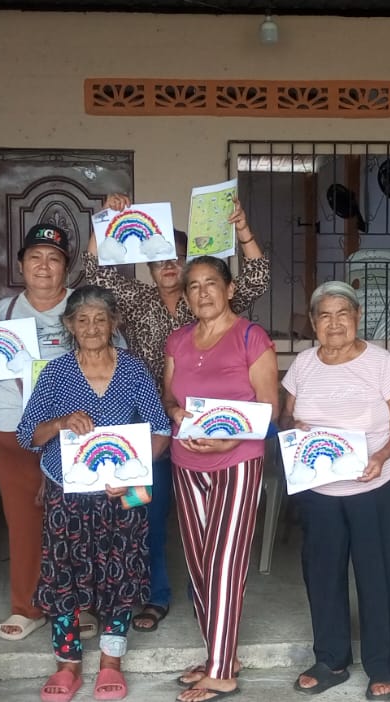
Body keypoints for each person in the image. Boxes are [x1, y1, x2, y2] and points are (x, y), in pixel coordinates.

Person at [83, 192, 269, 633]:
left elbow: (258, 277)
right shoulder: (136, 300)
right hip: (144, 426)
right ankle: (154, 595)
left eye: (177, 258)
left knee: (197, 524)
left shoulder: (205, 300)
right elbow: (93, 271)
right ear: (147, 266)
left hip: (205, 432)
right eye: (159, 259)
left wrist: (243, 229)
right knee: (143, 510)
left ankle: (208, 600)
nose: (168, 265)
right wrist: (107, 219)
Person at [16, 286, 172, 702]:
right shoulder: (56, 373)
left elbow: (160, 430)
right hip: (67, 494)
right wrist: (61, 422)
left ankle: (110, 662)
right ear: (69, 325)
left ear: (113, 323)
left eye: (100, 319)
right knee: (63, 575)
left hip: (123, 494)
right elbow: (27, 434)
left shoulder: (133, 370)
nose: (91, 327)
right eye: (82, 320)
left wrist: (134, 476)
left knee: (121, 574)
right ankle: (67, 664)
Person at [280, 281, 390, 701]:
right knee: (322, 572)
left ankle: (379, 665)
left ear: (357, 317)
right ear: (313, 322)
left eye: (343, 314)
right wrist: (293, 427)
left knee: (377, 575)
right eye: (325, 315)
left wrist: (382, 455)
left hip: (376, 483)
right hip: (318, 488)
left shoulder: (381, 363)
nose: (334, 324)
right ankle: (331, 659)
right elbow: (285, 418)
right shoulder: (303, 364)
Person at [163, 256, 279, 702]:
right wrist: (177, 413)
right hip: (186, 461)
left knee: (224, 562)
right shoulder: (178, 340)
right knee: (198, 563)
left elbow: (270, 408)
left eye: (211, 283)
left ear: (229, 289)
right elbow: (169, 396)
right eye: (193, 286)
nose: (202, 293)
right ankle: (221, 654)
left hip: (238, 460)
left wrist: (230, 441)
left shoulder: (251, 337)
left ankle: (220, 673)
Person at [0, 223, 78, 641]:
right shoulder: (1, 312)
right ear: (21, 264)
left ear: (66, 268)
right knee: (24, 522)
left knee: (79, 522)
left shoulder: (85, 306)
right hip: (13, 428)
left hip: (74, 431)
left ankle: (80, 604)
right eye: (35, 257)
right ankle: (27, 607)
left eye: (54, 258)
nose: (44, 266)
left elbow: (113, 364)